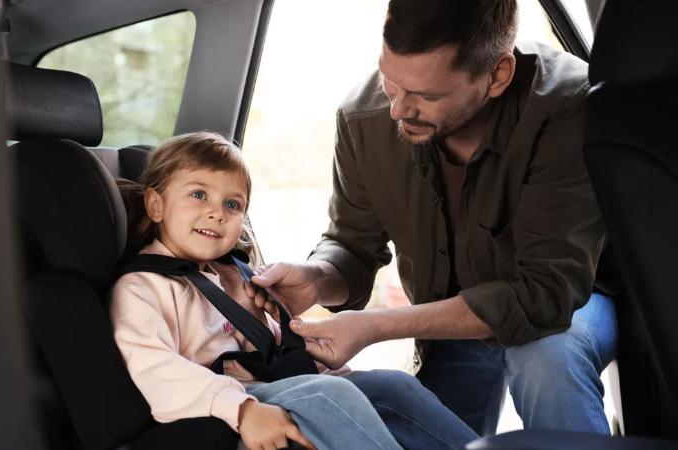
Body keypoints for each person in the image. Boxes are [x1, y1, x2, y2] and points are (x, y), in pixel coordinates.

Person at [251, 0, 619, 436]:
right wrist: (317, 277)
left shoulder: (564, 108)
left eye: (428, 96)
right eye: (391, 82)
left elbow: (544, 295)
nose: (399, 110)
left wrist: (377, 326)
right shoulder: (363, 118)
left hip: (574, 305)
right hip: (452, 326)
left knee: (546, 357)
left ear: (498, 76)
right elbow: (352, 244)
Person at [109, 131, 479, 450]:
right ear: (156, 205)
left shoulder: (227, 275)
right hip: (217, 403)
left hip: (261, 385)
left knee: (390, 385)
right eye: (198, 195)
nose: (217, 213)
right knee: (329, 395)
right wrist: (241, 410)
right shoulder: (142, 288)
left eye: (232, 204)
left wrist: (261, 323)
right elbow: (153, 369)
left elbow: (264, 352)